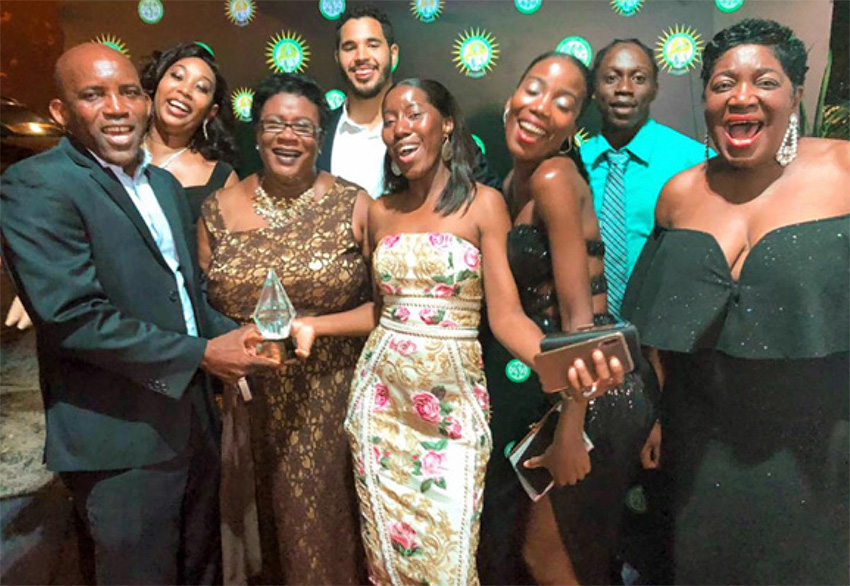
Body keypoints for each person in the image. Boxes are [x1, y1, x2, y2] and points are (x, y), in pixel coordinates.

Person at [293, 78, 624, 586]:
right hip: (381, 408)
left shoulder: (483, 203)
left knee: (452, 560)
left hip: (452, 410)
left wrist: (562, 365)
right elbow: (383, 314)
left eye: (414, 114)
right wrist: (315, 323)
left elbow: (507, 317)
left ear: (446, 123)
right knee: (389, 559)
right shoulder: (381, 212)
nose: (400, 127)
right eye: (389, 118)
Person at [0, 42, 278, 585]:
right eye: (93, 95)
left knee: (201, 570)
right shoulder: (35, 185)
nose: (117, 107)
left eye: (128, 92)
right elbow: (75, 318)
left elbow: (184, 295)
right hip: (117, 438)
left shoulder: (165, 185)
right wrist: (203, 353)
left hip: (193, 425)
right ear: (61, 112)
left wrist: (239, 336)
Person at [622, 18, 849, 585]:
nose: (741, 96)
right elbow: (653, 327)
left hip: (821, 448)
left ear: (797, 94)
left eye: (765, 82)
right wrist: (652, 419)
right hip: (701, 448)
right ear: (705, 100)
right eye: (723, 84)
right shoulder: (679, 194)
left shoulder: (844, 171)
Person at [477, 52, 656, 586]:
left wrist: (571, 433)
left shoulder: (554, 176)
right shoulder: (511, 182)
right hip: (556, 392)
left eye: (564, 103)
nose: (541, 108)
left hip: (596, 393)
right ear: (512, 96)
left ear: (575, 124)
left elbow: (581, 329)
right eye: (534, 89)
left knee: (551, 559)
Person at [197, 72, 371, 585]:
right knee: (255, 539)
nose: (287, 136)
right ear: (257, 134)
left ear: (320, 138)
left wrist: (316, 324)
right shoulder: (216, 210)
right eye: (274, 124)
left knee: (324, 536)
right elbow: (196, 303)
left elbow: (386, 308)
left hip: (330, 401)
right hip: (243, 407)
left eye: (303, 126)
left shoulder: (355, 204)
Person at [581, 39, 706, 319]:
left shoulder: (695, 161)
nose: (624, 88)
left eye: (638, 78)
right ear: (593, 90)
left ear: (654, 89)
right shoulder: (575, 164)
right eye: (611, 78)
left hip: (667, 327)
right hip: (589, 333)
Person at [317, 4, 498, 197]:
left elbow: (490, 201)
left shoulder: (433, 127)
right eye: (349, 47)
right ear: (337, 58)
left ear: (393, 54)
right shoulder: (318, 133)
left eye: (372, 45)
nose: (361, 56)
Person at [141, 41, 238, 223]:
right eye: (177, 76)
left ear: (211, 112)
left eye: (201, 87)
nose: (185, 90)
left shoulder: (222, 179)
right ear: (156, 85)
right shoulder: (114, 152)